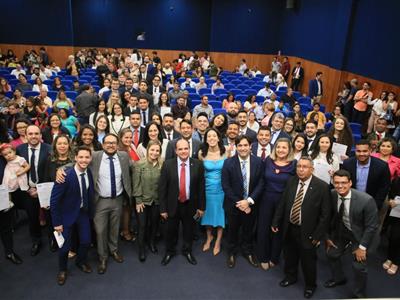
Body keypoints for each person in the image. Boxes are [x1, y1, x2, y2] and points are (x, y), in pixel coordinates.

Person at [271, 156, 331, 299]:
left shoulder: (322, 187)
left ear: (312, 169)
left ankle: (310, 285)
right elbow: (283, 203)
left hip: (309, 232)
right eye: (299, 166)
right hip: (290, 227)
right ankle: (291, 277)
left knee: (308, 261)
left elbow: (325, 215)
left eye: (305, 167)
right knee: (289, 256)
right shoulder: (291, 181)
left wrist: (318, 236)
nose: (301, 169)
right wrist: (275, 221)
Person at [325, 170, 379, 298]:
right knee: (331, 254)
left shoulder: (366, 200)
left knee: (359, 266)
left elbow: (372, 226)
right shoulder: (332, 194)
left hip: (361, 235)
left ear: (350, 183)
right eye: (336, 182)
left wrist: (362, 248)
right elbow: (326, 216)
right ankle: (339, 278)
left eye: (344, 182)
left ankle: (359, 294)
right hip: (342, 230)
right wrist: (327, 237)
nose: (340, 186)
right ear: (333, 183)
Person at [51, 146, 95, 285]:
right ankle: (62, 270)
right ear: (75, 158)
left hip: (83, 214)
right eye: (80, 157)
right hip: (66, 216)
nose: (84, 160)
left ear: (90, 158)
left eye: (87, 157)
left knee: (86, 241)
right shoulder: (65, 176)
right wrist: (57, 223)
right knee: (65, 247)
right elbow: (54, 201)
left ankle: (80, 262)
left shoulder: (89, 173)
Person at [159, 139, 205, 266]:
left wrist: (201, 207)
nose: (183, 151)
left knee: (189, 230)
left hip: (190, 204)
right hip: (173, 204)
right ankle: (170, 251)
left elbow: (201, 188)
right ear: (175, 151)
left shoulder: (198, 164)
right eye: (180, 149)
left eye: (186, 148)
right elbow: (162, 188)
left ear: (189, 149)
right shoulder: (167, 165)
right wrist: (162, 209)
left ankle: (187, 251)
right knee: (171, 230)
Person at [221, 136, 264, 268]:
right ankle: (232, 253)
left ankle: (248, 252)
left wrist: (249, 201)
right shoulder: (228, 163)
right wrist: (241, 203)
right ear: (236, 147)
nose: (243, 148)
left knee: (248, 230)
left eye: (246, 145)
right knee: (232, 231)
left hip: (251, 205)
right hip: (233, 205)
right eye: (240, 145)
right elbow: (225, 185)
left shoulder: (258, 162)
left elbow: (261, 183)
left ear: (250, 146)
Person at [256, 138, 296, 270]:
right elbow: (262, 180)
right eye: (278, 147)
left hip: (283, 202)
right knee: (263, 228)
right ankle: (263, 256)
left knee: (278, 230)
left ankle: (274, 256)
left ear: (289, 149)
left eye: (284, 147)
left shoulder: (294, 164)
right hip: (266, 199)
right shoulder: (268, 160)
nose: (281, 150)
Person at [132, 140, 163, 262]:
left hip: (156, 200)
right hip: (143, 201)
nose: (154, 153)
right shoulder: (139, 164)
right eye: (152, 150)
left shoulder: (162, 164)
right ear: (147, 150)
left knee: (154, 224)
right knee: (142, 226)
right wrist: (138, 200)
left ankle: (151, 243)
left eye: (157, 151)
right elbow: (136, 184)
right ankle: (141, 249)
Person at [199, 128, 227, 256]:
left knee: (220, 215)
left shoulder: (227, 152)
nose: (211, 138)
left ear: (218, 138)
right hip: (207, 189)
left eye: (214, 136)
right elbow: (199, 173)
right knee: (207, 214)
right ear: (205, 139)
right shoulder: (201, 153)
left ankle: (218, 241)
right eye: (208, 136)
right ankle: (209, 237)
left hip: (222, 189)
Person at [342, 140, 391, 210]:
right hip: (351, 201)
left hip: (373, 201)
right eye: (358, 151)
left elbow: (384, 187)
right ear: (355, 151)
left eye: (365, 151)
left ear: (370, 151)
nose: (361, 154)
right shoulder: (347, 163)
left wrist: (376, 205)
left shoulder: (382, 166)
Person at [384, 177, 400, 276]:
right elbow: (391, 194)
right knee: (393, 237)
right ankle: (390, 258)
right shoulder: (397, 180)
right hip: (397, 214)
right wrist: (390, 201)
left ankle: (396, 262)